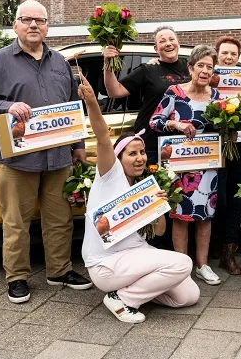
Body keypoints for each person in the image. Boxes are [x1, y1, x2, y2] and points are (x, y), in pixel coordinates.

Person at [0, 0, 93, 304]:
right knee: (16, 222)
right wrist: (7, 106)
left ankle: (59, 270)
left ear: (48, 26)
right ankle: (18, 277)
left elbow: (71, 106)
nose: (34, 25)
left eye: (40, 20)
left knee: (60, 219)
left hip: (58, 156)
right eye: (26, 19)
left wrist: (78, 146)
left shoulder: (60, 63)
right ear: (15, 25)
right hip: (16, 158)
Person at [79, 75, 200, 324]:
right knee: (182, 263)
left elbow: (159, 231)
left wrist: (157, 209)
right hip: (107, 263)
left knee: (188, 296)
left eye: (142, 152)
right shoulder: (109, 177)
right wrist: (92, 102)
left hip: (136, 257)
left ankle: (138, 289)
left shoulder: (146, 187)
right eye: (132, 154)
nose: (140, 158)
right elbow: (102, 138)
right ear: (118, 158)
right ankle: (123, 299)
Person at [150, 45, 222, 285]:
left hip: (207, 165)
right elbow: (155, 121)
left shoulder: (216, 97)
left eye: (209, 67)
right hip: (179, 166)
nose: (204, 71)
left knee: (205, 216)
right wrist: (177, 125)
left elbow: (223, 127)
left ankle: (202, 265)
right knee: (180, 215)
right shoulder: (175, 92)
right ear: (190, 68)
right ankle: (182, 269)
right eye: (200, 65)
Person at [103, 26, 190, 163]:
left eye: (171, 39)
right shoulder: (148, 69)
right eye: (162, 41)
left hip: (184, 141)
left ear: (178, 43)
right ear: (156, 49)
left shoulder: (190, 68)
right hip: (152, 143)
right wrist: (107, 62)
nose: (168, 43)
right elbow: (115, 91)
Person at [212, 36, 241, 276]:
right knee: (219, 198)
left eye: (233, 54)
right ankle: (216, 245)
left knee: (238, 199)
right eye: (225, 53)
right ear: (218, 54)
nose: (229, 57)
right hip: (216, 146)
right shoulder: (211, 77)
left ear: (239, 57)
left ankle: (229, 252)